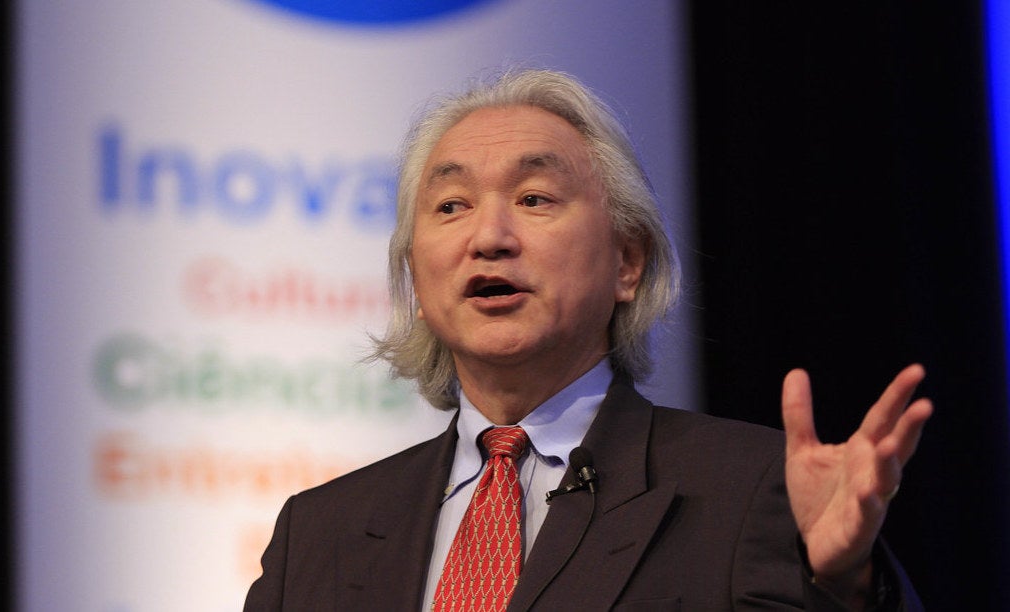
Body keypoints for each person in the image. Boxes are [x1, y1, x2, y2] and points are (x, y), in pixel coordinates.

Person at [244, 68, 932, 611]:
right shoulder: (319, 533)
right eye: (451, 206)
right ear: (416, 283)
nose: (489, 237)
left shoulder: (747, 491)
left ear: (627, 262)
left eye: (534, 198)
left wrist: (842, 584)